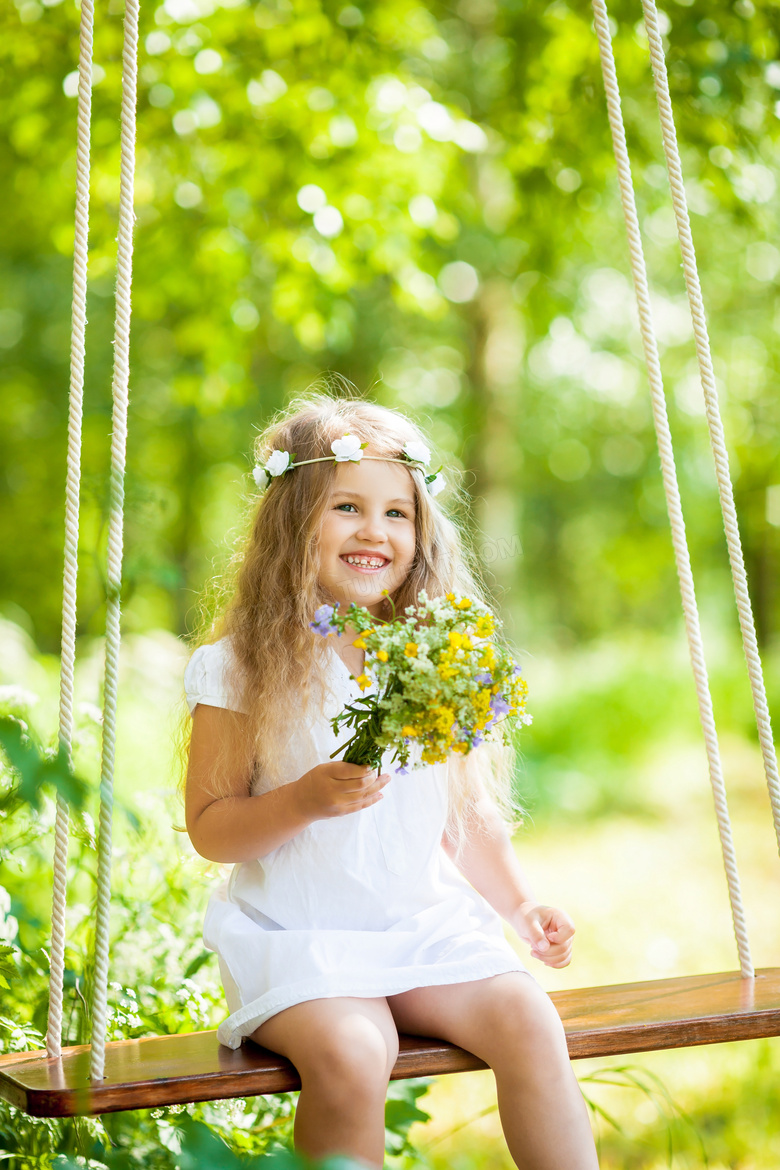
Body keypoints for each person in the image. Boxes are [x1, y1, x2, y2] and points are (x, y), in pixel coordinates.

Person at [183, 389, 599, 1170]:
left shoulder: (429, 651)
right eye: (347, 506)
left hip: (422, 926)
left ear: (422, 530)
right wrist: (301, 800)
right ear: (292, 521)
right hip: (299, 936)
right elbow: (210, 825)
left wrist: (519, 904)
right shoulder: (241, 666)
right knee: (351, 1049)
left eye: (397, 513)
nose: (375, 531)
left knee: (527, 1019)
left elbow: (461, 813)